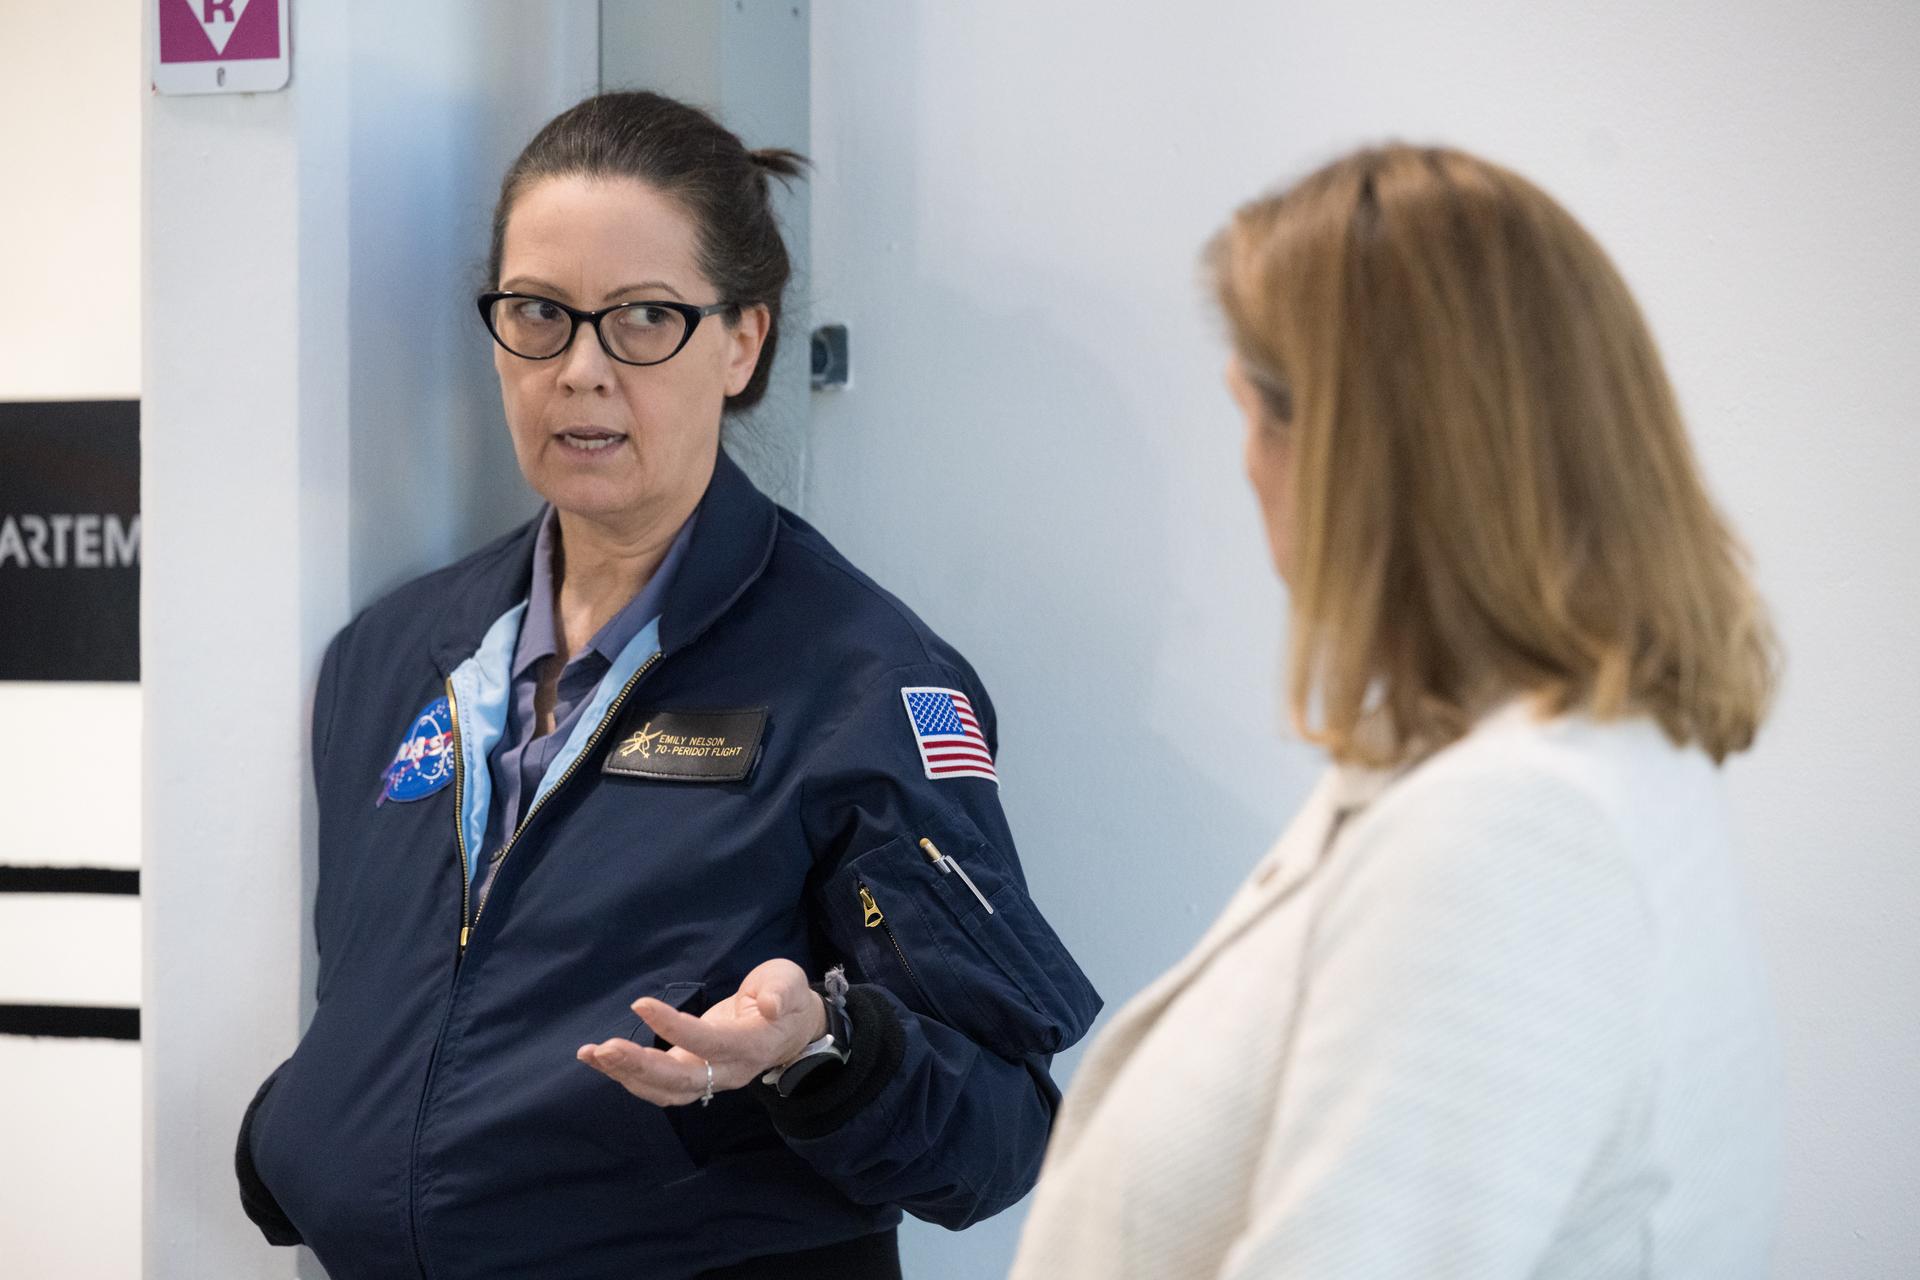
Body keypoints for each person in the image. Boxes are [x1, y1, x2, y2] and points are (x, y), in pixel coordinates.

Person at [233, 91, 1100, 1280]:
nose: (579, 371)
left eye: (645, 318)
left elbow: (1002, 1132)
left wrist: (825, 1048)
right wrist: (307, 1129)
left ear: (743, 340)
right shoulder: (392, 654)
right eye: (538, 312)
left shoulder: (860, 680)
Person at [1010, 145, 1782, 1278]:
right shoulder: (1540, 761)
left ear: (1361, 459)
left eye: (1257, 419)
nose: (1248, 471)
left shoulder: (1510, 831)